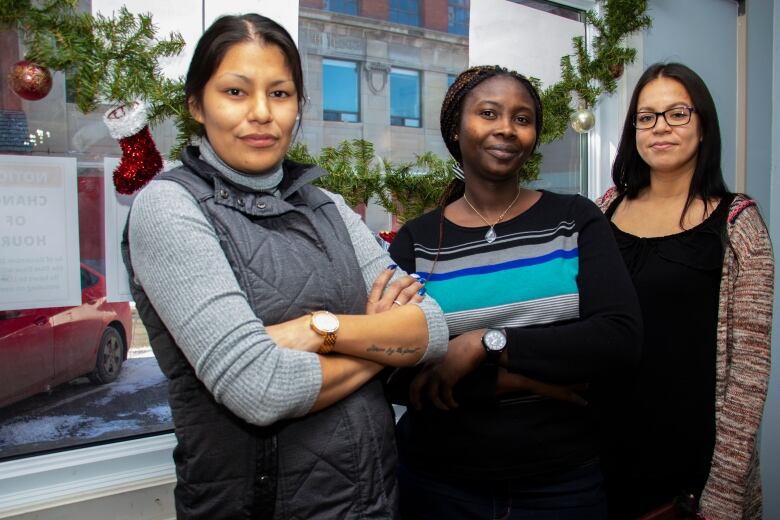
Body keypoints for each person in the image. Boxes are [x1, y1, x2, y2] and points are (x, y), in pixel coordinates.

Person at [123, 14, 449, 520]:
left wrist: (317, 329)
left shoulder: (329, 207)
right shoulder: (169, 208)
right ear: (196, 105)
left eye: (280, 94)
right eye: (235, 91)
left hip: (373, 503)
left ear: (299, 105)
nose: (261, 113)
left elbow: (431, 327)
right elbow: (261, 389)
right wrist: (387, 346)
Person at [386, 65, 642, 519]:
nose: (506, 128)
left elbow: (618, 339)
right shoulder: (417, 240)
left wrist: (484, 343)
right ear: (455, 128)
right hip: (440, 484)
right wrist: (515, 379)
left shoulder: (574, 219)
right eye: (489, 113)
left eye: (522, 119)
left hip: (562, 484)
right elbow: (398, 374)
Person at [596, 62, 774, 520]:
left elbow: (749, 378)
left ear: (703, 124)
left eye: (678, 113)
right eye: (646, 116)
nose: (661, 128)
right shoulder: (602, 212)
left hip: (692, 467)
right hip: (598, 455)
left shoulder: (739, 224)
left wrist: (724, 491)